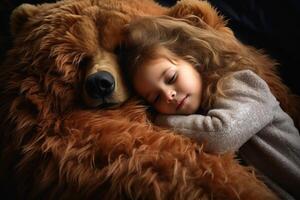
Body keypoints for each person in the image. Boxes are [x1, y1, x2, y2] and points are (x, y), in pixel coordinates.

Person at [117, 16, 300, 199]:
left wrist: (160, 121)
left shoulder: (242, 83)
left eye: (171, 78)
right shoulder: (198, 117)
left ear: (192, 59)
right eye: (156, 97)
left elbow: (222, 134)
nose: (168, 95)